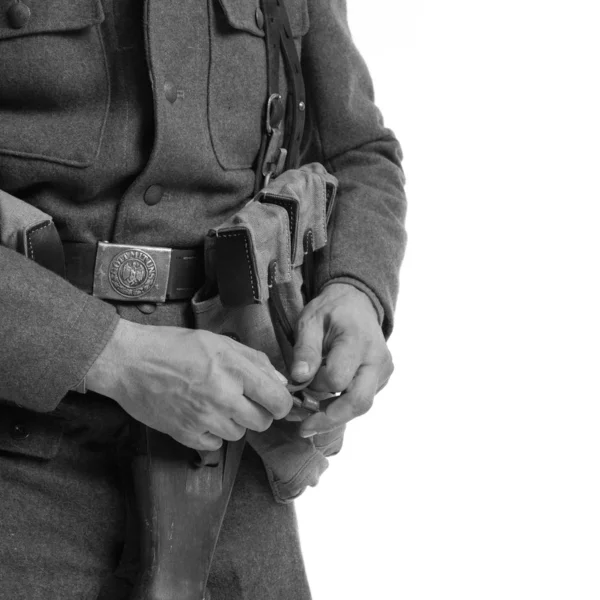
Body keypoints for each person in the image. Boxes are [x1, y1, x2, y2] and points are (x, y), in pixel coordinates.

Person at [0, 0, 406, 598]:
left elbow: (359, 152)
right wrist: (114, 355)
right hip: (21, 452)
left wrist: (356, 289)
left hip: (234, 445)